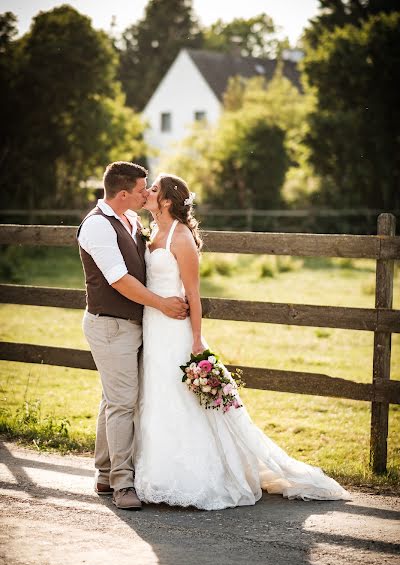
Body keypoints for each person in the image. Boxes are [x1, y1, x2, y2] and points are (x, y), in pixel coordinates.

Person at [133, 173, 351, 510]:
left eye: (154, 189)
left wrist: (196, 342)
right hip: (152, 326)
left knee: (181, 398)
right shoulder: (151, 233)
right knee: (157, 394)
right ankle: (155, 474)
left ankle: (193, 477)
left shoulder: (181, 239)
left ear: (166, 201)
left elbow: (193, 295)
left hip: (176, 331)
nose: (147, 192)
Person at [77, 162, 188, 511]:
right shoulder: (97, 226)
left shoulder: (130, 220)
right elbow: (119, 280)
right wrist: (161, 304)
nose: (147, 193)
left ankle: (105, 472)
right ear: (123, 193)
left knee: (114, 399)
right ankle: (123, 484)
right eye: (143, 188)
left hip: (133, 325)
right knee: (123, 402)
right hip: (110, 325)